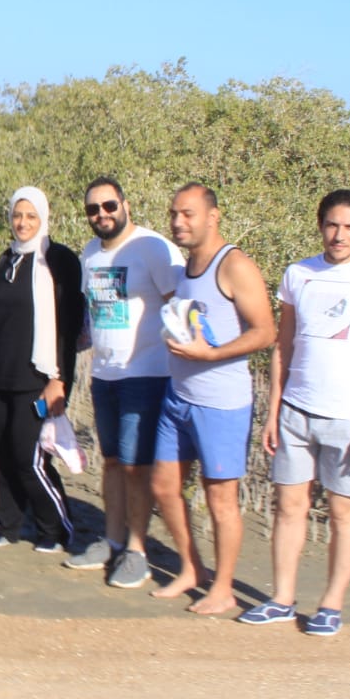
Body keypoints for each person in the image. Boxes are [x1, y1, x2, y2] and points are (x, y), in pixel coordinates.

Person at [241, 189, 350, 636]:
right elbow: (284, 346)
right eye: (332, 225)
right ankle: (281, 599)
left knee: (343, 512)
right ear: (320, 226)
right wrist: (273, 411)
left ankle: (331, 606)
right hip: (296, 411)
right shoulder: (298, 273)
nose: (339, 235)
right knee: (288, 506)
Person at [150, 183, 276, 614]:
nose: (178, 222)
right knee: (163, 486)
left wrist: (211, 354)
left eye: (187, 214)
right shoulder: (185, 267)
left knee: (220, 498)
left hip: (220, 403)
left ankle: (223, 589)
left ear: (212, 217)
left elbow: (266, 332)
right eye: (174, 214)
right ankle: (192, 568)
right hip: (178, 396)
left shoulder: (235, 265)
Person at [65, 177, 185, 588]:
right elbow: (93, 313)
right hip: (105, 374)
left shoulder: (153, 248)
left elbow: (179, 306)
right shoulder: (90, 253)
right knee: (113, 461)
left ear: (125, 205)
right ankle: (113, 540)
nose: (101, 214)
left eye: (109, 206)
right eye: (93, 209)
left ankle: (137, 551)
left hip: (147, 374)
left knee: (137, 466)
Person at [0, 187, 84, 551]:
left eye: (30, 216)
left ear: (44, 217)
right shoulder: (6, 259)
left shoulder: (60, 260)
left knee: (30, 459)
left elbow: (68, 327)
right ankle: (6, 524)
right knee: (3, 452)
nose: (22, 223)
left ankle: (55, 528)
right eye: (17, 215)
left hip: (36, 379)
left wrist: (59, 381)